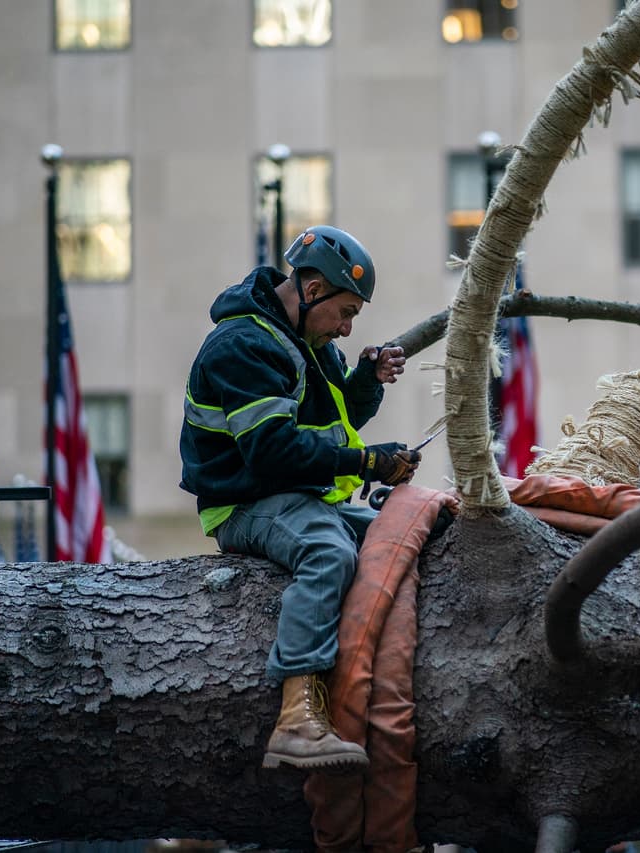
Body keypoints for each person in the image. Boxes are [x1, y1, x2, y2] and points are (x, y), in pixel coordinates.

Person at [180, 225, 421, 773]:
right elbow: (271, 451)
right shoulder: (244, 345)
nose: (347, 326)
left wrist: (366, 378)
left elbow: (337, 423)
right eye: (346, 311)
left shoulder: (306, 344)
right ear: (313, 291)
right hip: (242, 505)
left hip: (295, 495)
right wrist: (367, 462)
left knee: (401, 531)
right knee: (328, 553)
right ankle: (295, 721)